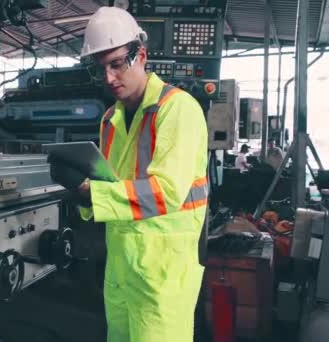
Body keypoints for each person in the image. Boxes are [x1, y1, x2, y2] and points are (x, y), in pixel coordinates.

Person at [47, 6, 208, 342]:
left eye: (117, 63)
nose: (108, 78)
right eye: (100, 68)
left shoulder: (178, 110)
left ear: (142, 55)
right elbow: (109, 187)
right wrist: (79, 193)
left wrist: (90, 192)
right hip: (120, 273)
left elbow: (165, 192)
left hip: (162, 280)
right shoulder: (110, 120)